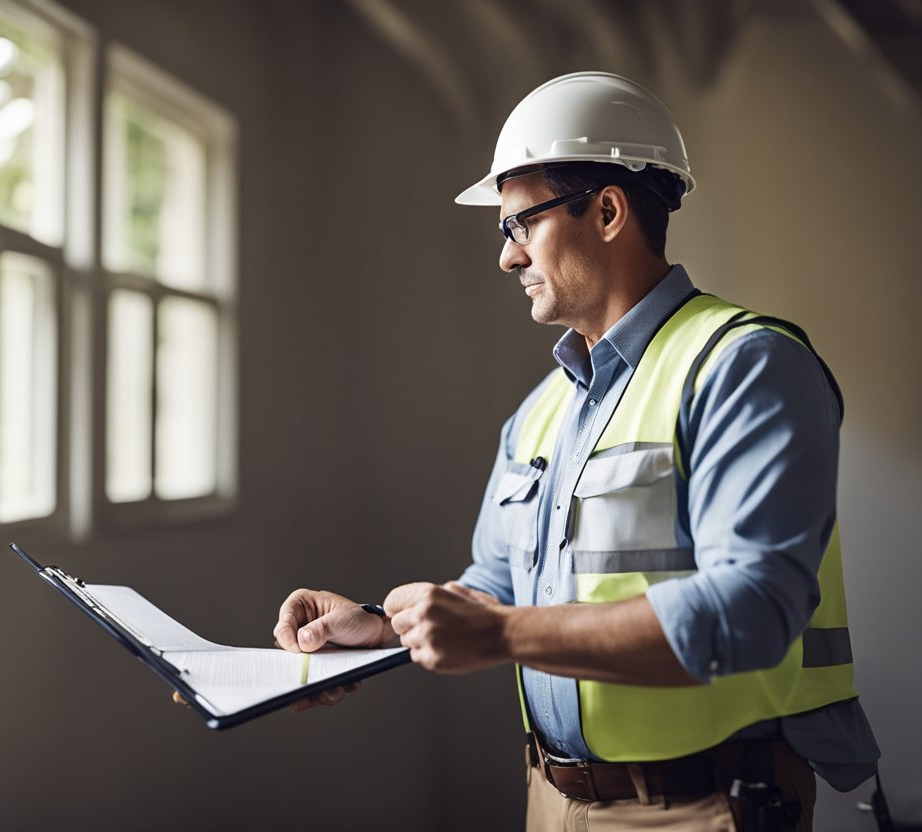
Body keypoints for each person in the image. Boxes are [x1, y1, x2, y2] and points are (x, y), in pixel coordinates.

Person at [272, 72, 884, 831]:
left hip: (708, 806)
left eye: (519, 224)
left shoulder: (744, 365)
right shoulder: (540, 414)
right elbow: (495, 591)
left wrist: (497, 635)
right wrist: (377, 625)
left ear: (607, 210)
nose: (508, 257)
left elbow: (753, 610)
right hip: (552, 801)